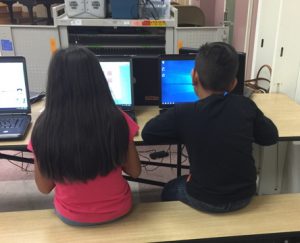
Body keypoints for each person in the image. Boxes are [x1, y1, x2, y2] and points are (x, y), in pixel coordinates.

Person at [142, 42, 278, 213]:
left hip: (205, 199)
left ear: (194, 77)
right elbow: (271, 136)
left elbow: (148, 133)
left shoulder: (184, 112)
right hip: (245, 195)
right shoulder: (246, 106)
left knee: (170, 188)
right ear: (233, 83)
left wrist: (185, 132)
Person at [28, 46, 141, 226]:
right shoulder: (119, 118)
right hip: (119, 209)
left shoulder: (43, 127)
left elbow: (44, 187)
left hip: (71, 215)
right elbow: (135, 171)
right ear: (98, 79)